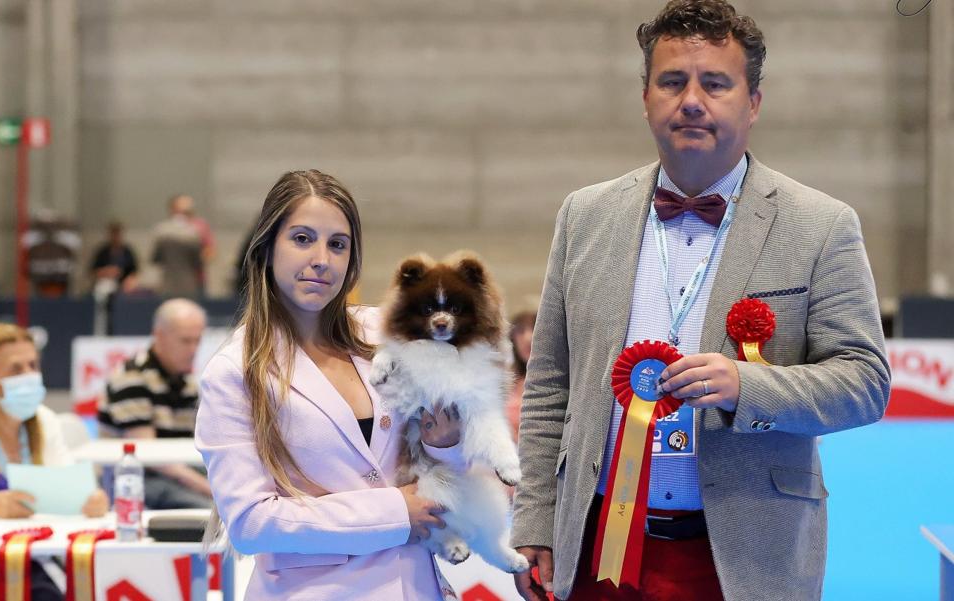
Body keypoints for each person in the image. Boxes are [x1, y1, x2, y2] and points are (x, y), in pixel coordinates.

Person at [510, 2, 891, 600]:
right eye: (672, 82)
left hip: (747, 557)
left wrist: (749, 386)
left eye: (715, 83)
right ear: (645, 98)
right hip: (598, 548)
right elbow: (549, 385)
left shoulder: (820, 224)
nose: (692, 100)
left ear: (753, 103)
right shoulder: (584, 216)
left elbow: (866, 383)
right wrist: (534, 519)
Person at [195, 170, 466, 600]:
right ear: (266, 249)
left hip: (414, 584)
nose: (322, 258)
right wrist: (395, 512)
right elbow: (250, 524)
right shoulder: (234, 371)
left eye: (337, 244)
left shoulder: (388, 334)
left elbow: (446, 488)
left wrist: (446, 445)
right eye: (302, 238)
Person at [0, 323, 108, 600]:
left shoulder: (44, 421)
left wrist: (90, 499)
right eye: (16, 369)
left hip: (25, 560)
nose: (30, 376)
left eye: (33, 365)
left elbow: (68, 482)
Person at [98, 298, 212, 509]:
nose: (193, 349)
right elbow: (149, 456)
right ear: (159, 336)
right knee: (212, 511)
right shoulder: (131, 377)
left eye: (198, 340)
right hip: (135, 478)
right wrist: (209, 488)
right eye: (185, 341)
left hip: (177, 471)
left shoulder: (187, 382)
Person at [150, 197, 204, 297]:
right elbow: (198, 261)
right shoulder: (193, 232)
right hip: (187, 283)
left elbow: (155, 258)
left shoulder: (161, 231)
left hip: (167, 283)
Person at [506, 310, 536, 440]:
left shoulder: (559, 384)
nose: (528, 338)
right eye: (520, 331)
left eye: (534, 328)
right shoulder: (507, 382)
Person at [90, 221, 139, 291]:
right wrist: (107, 271)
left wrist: (128, 280)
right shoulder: (102, 252)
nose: (116, 237)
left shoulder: (127, 252)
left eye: (118, 233)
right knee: (104, 288)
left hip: (125, 283)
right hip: (106, 282)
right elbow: (93, 271)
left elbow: (134, 271)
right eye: (113, 233)